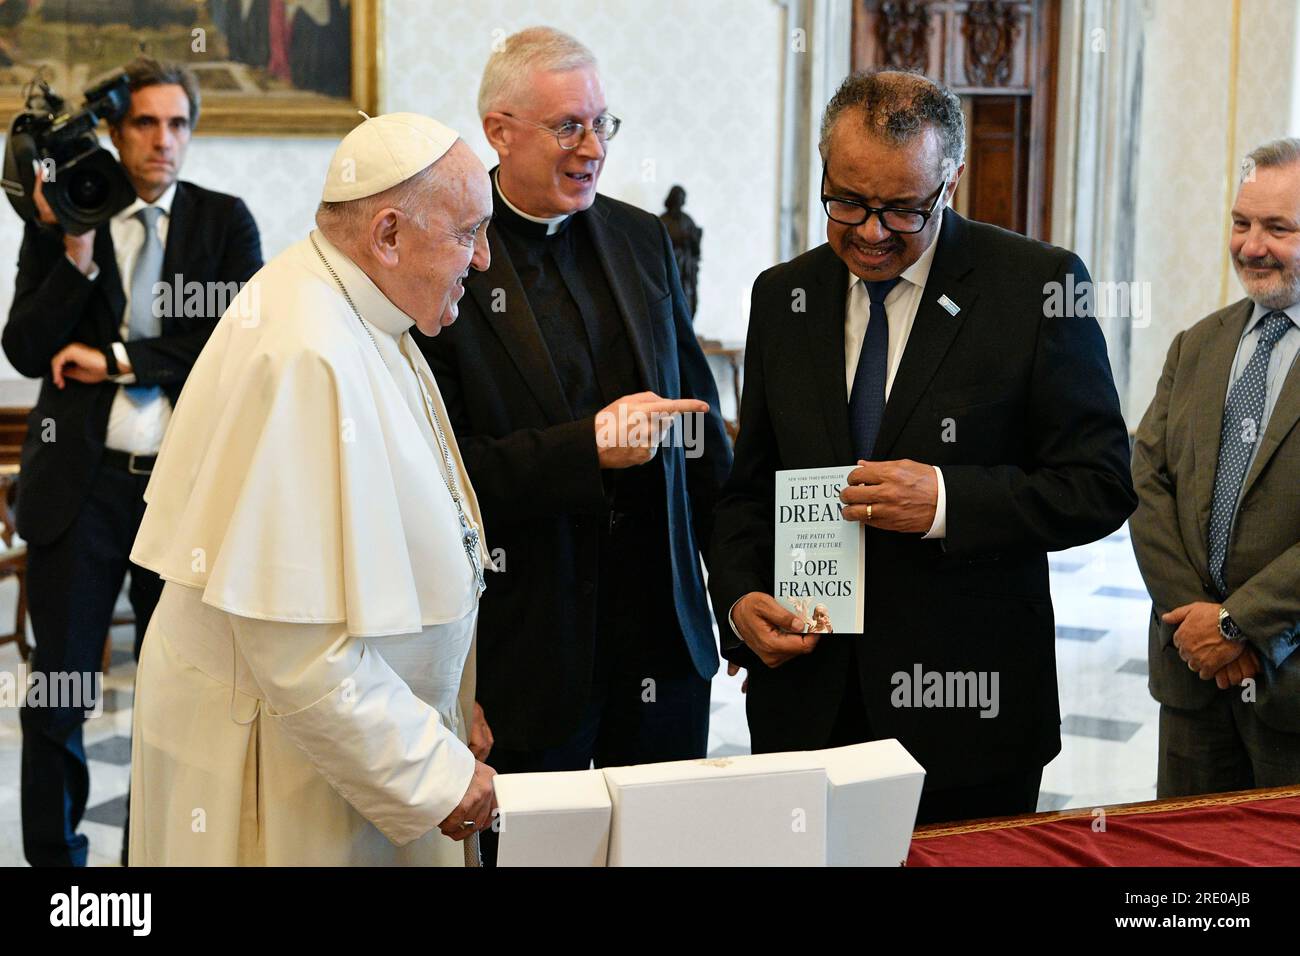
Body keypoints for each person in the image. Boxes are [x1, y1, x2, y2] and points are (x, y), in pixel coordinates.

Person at [708, 70, 1135, 825]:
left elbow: (1098, 482)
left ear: (952, 182)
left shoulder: (1037, 285)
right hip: (807, 707)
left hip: (970, 717)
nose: (871, 232)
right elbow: (751, 487)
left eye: (904, 209)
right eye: (846, 201)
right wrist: (740, 602)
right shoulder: (784, 294)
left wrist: (945, 502)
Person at [127, 112, 497, 865]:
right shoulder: (307, 349)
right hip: (278, 756)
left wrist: (452, 703)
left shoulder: (358, 309)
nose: (484, 259)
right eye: (467, 233)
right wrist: (430, 769)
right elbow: (295, 642)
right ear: (388, 235)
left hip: (355, 732)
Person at [416, 27, 731, 861]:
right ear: (500, 129)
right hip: (528, 652)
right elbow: (436, 478)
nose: (592, 147)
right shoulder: (444, 252)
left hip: (661, 636)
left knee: (662, 855)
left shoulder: (639, 238)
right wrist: (584, 448)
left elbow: (697, 430)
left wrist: (737, 593)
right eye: (568, 127)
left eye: (601, 124)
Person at [4, 56, 261, 867]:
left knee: (177, 701)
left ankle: (150, 866)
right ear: (116, 133)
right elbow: (25, 346)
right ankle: (56, 874)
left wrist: (117, 359)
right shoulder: (64, 219)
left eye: (178, 123)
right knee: (59, 697)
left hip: (184, 498)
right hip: (80, 494)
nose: (163, 140)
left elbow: (236, 344)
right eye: (145, 123)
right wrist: (73, 254)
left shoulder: (225, 222)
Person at [1131, 137, 1300, 798]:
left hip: (1290, 686)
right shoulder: (1196, 345)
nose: (1250, 246)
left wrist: (1238, 625)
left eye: (1278, 228)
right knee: (1188, 881)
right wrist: (1195, 621)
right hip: (1192, 682)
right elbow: (1146, 486)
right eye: (1241, 222)